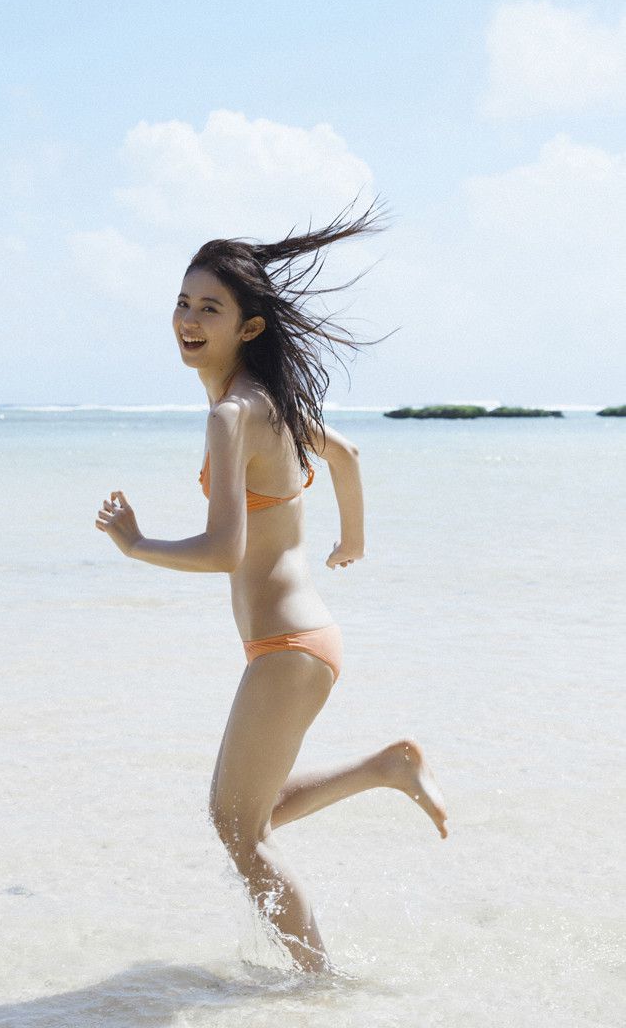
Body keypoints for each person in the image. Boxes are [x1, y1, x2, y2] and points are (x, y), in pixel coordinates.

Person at [95, 197, 448, 974]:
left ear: (248, 327)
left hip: (288, 647)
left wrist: (137, 544)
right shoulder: (272, 403)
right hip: (300, 642)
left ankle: (318, 989)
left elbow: (225, 549)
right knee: (241, 818)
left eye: (209, 309)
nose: (188, 320)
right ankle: (383, 768)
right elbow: (347, 455)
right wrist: (351, 540)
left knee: (240, 832)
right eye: (183, 302)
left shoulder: (232, 414)